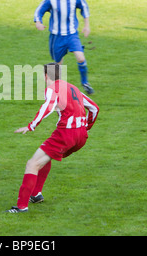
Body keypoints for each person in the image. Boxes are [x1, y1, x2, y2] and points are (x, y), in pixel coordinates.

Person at [6, 62, 99, 213]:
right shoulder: (73, 87)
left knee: (32, 164)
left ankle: (21, 207)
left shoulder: (52, 88)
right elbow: (94, 108)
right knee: (46, 156)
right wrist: (86, 126)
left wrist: (31, 125)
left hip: (66, 134)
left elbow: (48, 106)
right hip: (81, 137)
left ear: (45, 75)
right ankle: (36, 194)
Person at [34, 0, 94, 95]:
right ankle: (53, 90)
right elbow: (39, 11)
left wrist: (86, 26)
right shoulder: (51, 0)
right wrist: (38, 23)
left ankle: (85, 82)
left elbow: (85, 9)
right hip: (57, 37)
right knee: (57, 65)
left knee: (81, 58)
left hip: (72, 35)